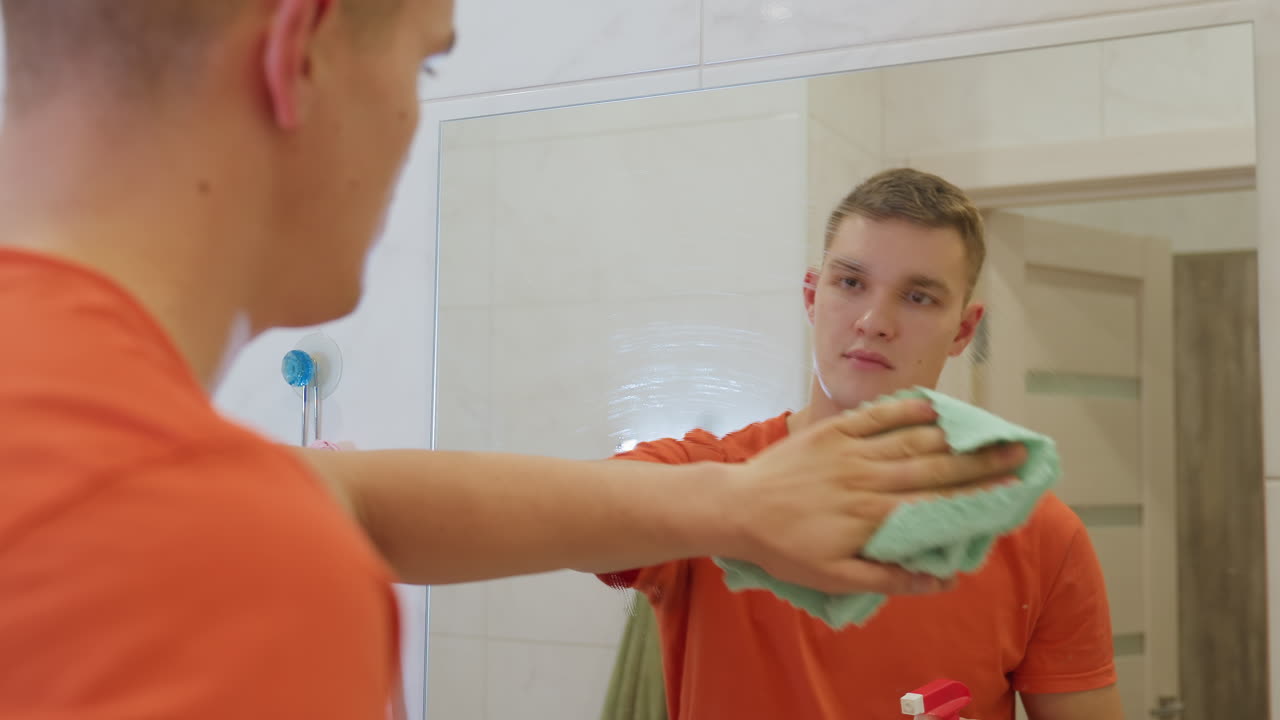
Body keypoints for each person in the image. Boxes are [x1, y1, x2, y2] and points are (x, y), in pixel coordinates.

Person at [0, 2, 1028, 718]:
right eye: (424, 63)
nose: (413, 115)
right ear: (299, 55)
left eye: (918, 296)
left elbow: (298, 493)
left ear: (959, 324)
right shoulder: (249, 567)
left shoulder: (96, 469)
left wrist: (727, 506)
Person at [597, 168, 1124, 720]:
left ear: (964, 330)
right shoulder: (710, 473)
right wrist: (741, 505)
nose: (874, 321)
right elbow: (584, 526)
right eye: (850, 283)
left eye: (918, 297)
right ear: (811, 296)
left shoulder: (1036, 533)